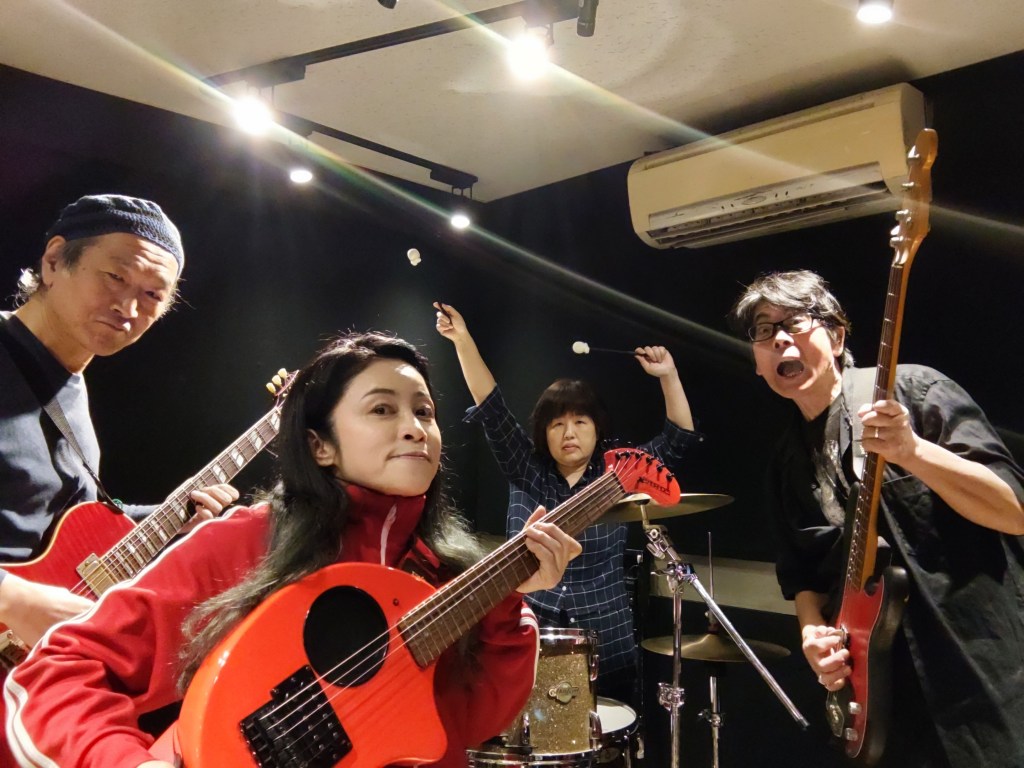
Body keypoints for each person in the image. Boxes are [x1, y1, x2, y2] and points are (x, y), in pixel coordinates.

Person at [4, 331, 582, 768]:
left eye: (424, 411)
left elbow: (472, 722)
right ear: (319, 445)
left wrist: (506, 603)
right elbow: (59, 671)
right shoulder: (244, 540)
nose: (414, 428)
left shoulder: (444, 570)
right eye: (382, 408)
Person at [729, 269, 1024, 768]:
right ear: (758, 364)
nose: (778, 338)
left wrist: (913, 452)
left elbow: (1013, 510)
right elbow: (802, 574)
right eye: (763, 330)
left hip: (977, 670)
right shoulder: (784, 463)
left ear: (837, 337)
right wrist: (811, 634)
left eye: (795, 321)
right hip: (881, 697)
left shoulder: (911, 390)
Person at [0, 194, 238, 650]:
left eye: (152, 295)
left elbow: (57, 529)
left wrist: (171, 517)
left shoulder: (70, 392)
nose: (128, 308)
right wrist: (14, 599)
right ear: (54, 261)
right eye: (115, 277)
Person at [434, 302, 700, 704]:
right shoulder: (527, 468)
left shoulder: (618, 472)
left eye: (580, 421)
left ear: (597, 428)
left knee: (613, 727)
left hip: (606, 632)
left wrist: (668, 375)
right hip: (534, 628)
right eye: (556, 423)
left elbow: (678, 440)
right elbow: (492, 409)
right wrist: (462, 339)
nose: (568, 433)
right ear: (544, 433)